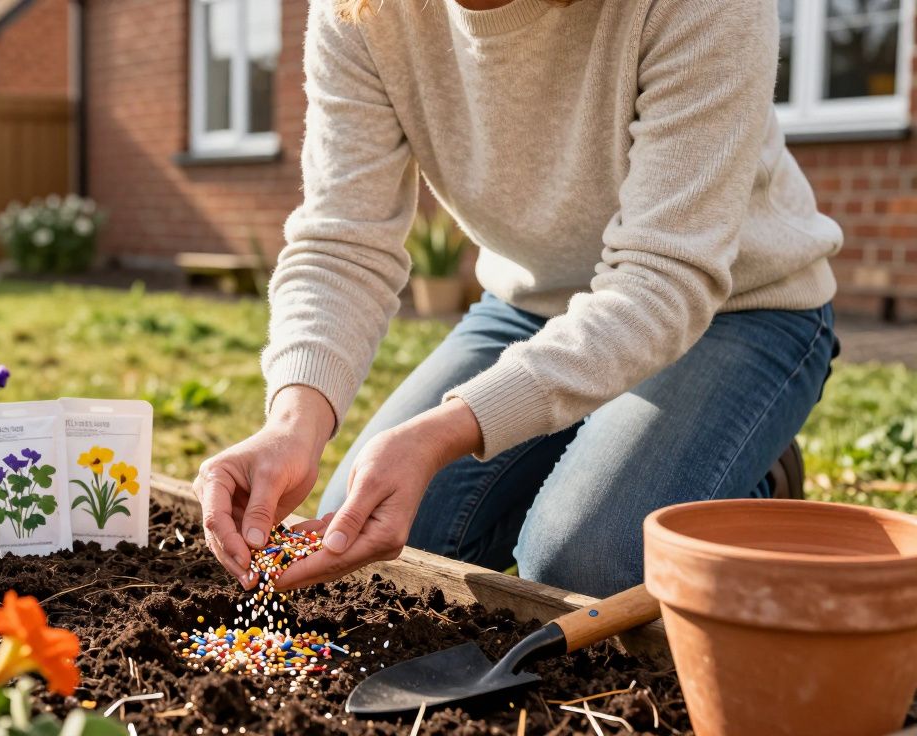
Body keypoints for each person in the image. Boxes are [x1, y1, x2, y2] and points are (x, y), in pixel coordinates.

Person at [192, 0, 840, 599]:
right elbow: (343, 244)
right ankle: (600, 444)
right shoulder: (361, 11)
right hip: (531, 308)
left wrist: (443, 431)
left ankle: (753, 477)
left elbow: (664, 280)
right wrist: (293, 424)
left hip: (737, 310)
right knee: (369, 542)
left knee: (582, 563)